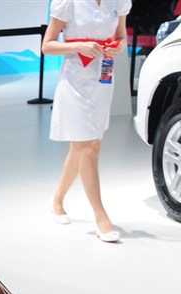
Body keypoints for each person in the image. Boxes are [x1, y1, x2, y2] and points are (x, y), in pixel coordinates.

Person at [42, 0, 131, 243]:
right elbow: (47, 46)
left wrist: (117, 47)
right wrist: (79, 46)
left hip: (103, 80)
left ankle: (57, 200)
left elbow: (122, 37)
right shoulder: (68, 2)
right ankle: (100, 216)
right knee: (90, 146)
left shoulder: (119, 2)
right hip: (74, 83)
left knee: (80, 147)